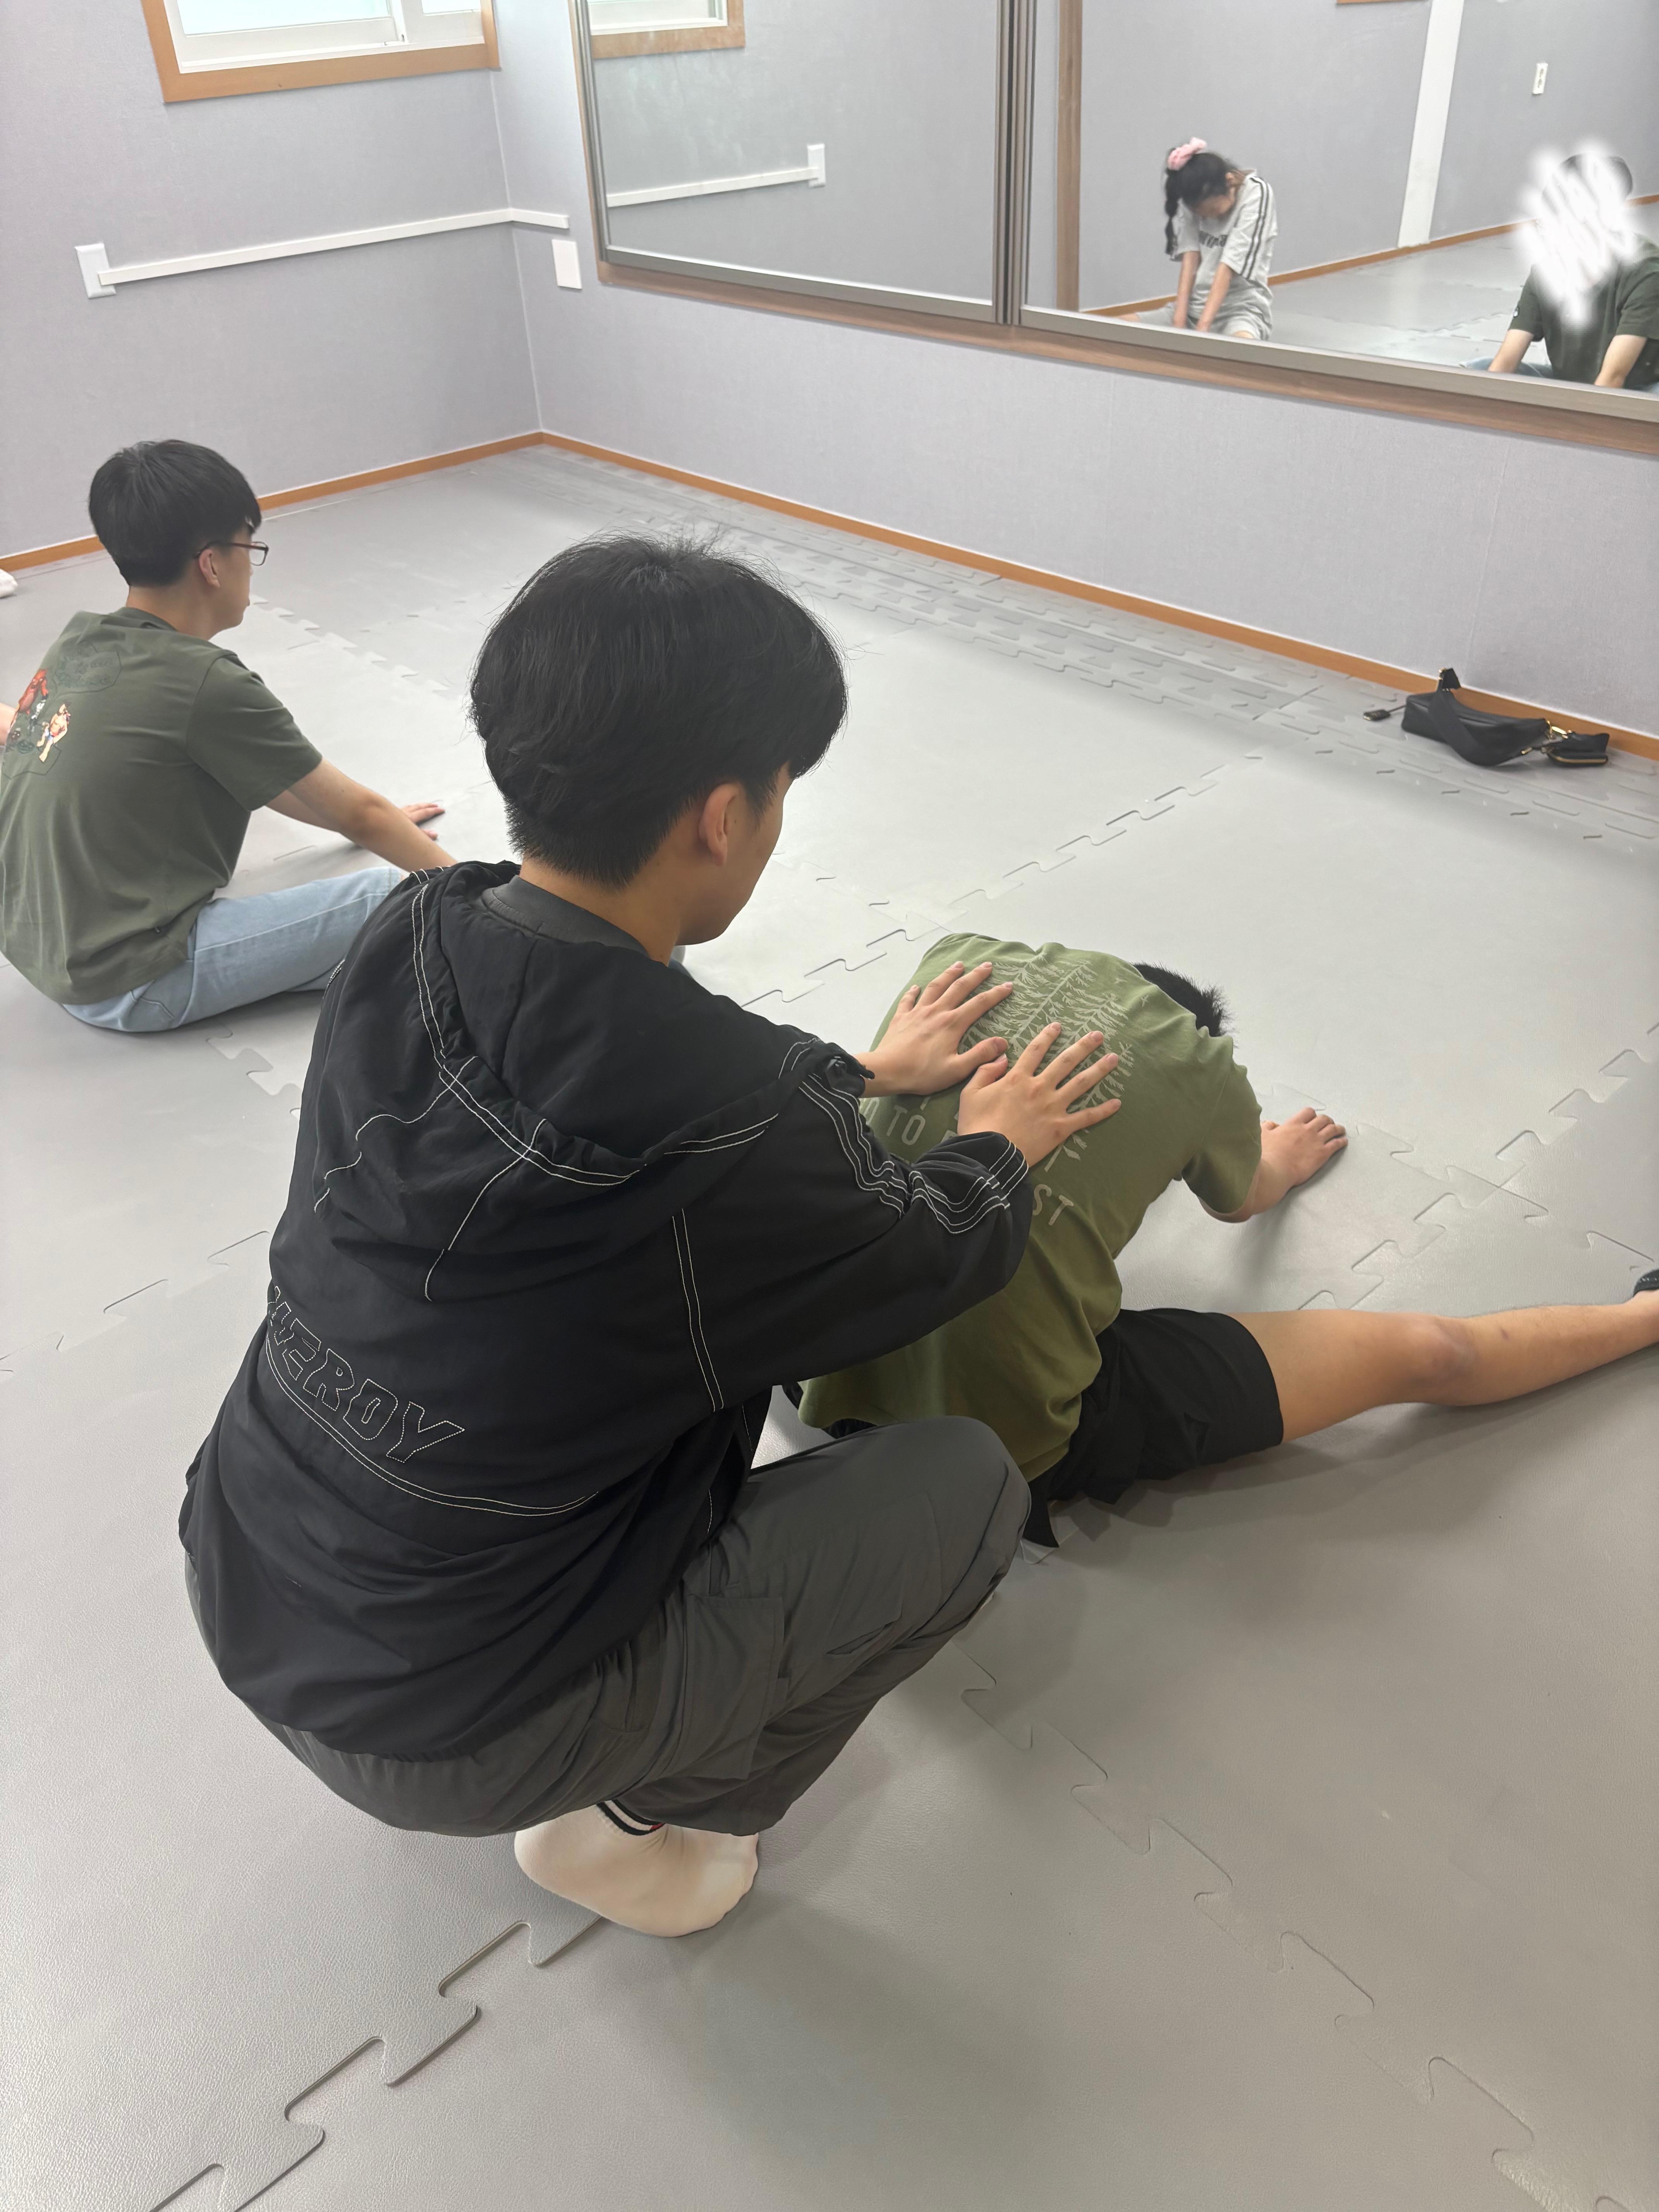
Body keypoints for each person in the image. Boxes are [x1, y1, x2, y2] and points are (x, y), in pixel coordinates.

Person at [180, 538, 1123, 1940]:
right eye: (785, 793)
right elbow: (930, 1250)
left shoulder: (412, 924)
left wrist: (854, 1072)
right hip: (450, 1723)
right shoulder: (742, 1131)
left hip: (247, 1557)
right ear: (725, 816)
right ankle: (631, 1822)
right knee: (963, 1489)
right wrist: (999, 1143)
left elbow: (598, 1058)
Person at [802, 935, 1659, 1543]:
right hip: (1009, 1446)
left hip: (809, 1356)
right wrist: (1272, 1157)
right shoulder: (1206, 1071)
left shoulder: (957, 962)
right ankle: (1647, 1316)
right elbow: (1242, 1202)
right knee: (1434, 1352)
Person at [0, 440, 455, 1033]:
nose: (251, 568)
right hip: (127, 981)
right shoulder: (205, 682)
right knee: (397, 902)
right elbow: (362, 814)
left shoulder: (82, 640)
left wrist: (362, 820)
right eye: (250, 547)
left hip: (41, 945)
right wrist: (483, 896)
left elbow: (271, 777)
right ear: (212, 564)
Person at [1482, 154, 1659, 392]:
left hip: (1636, 390)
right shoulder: (1546, 273)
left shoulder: (1645, 272)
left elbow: (1613, 378)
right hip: (1575, 386)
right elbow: (1506, 361)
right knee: (1479, 369)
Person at [1136, 140, 1278, 342]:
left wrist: (1202, 331)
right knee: (1116, 330)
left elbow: (1228, 266)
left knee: (1241, 349)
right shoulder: (1192, 196)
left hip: (1241, 312)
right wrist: (1179, 322)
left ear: (1230, 182)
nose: (1210, 219)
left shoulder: (1257, 193)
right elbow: (1190, 259)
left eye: (1213, 212)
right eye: (1203, 215)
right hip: (1194, 309)